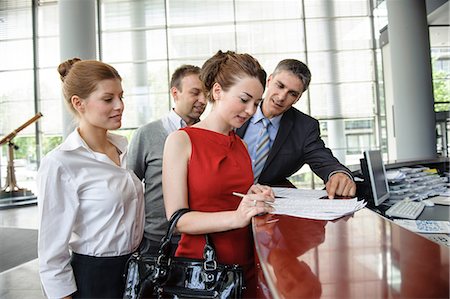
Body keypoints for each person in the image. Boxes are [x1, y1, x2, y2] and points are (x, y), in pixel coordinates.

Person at [162, 50, 274, 298]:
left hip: (246, 266)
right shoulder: (181, 141)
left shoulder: (241, 145)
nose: (250, 110)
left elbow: (230, 195)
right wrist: (236, 217)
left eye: (256, 103)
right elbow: (177, 220)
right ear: (217, 91)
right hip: (203, 271)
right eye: (244, 99)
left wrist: (254, 196)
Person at [37, 58, 145, 299]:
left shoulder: (121, 148)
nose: (119, 105)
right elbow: (51, 253)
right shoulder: (61, 163)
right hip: (94, 279)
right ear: (79, 103)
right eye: (108, 99)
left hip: (133, 272)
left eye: (121, 96)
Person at [236, 59, 356, 198]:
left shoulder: (305, 128)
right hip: (225, 199)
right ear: (269, 81)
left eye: (292, 93)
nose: (281, 97)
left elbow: (323, 160)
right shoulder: (237, 110)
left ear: (298, 98)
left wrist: (338, 174)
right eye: (279, 86)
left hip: (267, 204)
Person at [127, 64, 207, 254]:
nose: (203, 100)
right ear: (175, 92)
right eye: (195, 93)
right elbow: (131, 187)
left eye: (206, 94)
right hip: (155, 240)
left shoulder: (208, 135)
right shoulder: (147, 134)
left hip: (198, 238)